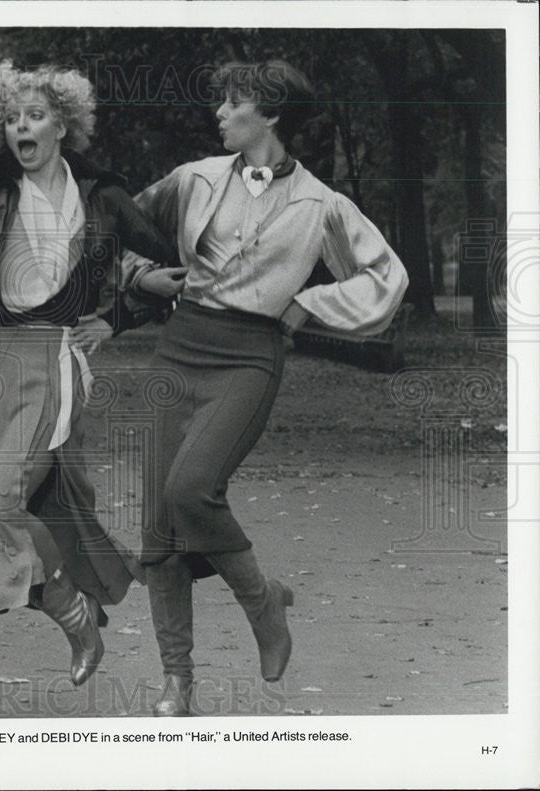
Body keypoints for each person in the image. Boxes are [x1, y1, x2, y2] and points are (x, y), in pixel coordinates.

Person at [125, 60, 409, 715]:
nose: (220, 114)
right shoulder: (191, 178)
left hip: (249, 358)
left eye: (234, 103)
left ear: (271, 115)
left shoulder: (321, 204)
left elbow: (385, 276)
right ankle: (177, 681)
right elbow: (117, 226)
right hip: (178, 350)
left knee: (190, 487)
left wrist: (309, 301)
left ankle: (262, 601)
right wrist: (140, 277)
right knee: (160, 528)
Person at [0, 62, 186, 718]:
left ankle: (70, 610)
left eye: (33, 115)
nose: (20, 127)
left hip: (53, 354)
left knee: (0, 503)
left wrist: (114, 319)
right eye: (10, 118)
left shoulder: (102, 194)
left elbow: (165, 263)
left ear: (63, 124)